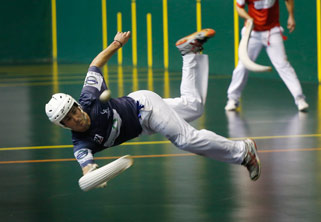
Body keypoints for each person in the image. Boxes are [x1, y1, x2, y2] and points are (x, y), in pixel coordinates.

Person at [45, 29, 261, 189]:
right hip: (145, 124)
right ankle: (190, 53)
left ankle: (243, 152)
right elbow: (85, 166)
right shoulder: (81, 144)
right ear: (63, 125)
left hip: (143, 106)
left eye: (73, 109)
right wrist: (93, 173)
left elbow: (95, 65)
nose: (76, 116)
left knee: (185, 139)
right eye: (69, 118)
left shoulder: (89, 98)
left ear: (76, 103)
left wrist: (116, 44)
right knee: (194, 107)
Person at [225, 0, 309, 112]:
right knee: (242, 65)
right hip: (253, 33)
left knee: (283, 65)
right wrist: (248, 18)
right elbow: (239, 8)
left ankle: (300, 99)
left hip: (272, 31)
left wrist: (291, 16)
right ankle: (232, 99)